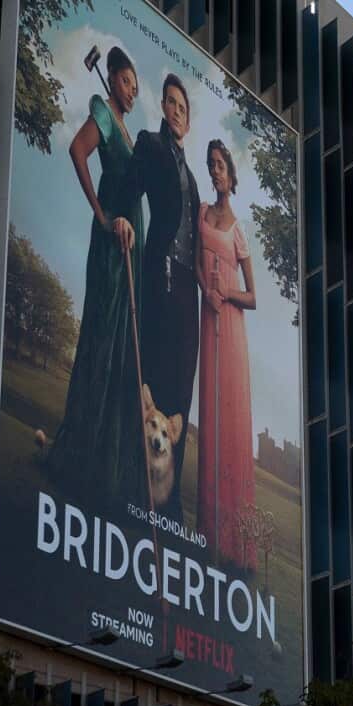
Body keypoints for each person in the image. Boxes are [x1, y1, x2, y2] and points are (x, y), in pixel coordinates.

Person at [45, 46, 144, 501]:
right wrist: (104, 216)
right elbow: (77, 151)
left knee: (120, 348)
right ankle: (79, 459)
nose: (132, 88)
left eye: (135, 84)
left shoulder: (125, 128)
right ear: (112, 78)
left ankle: (104, 465)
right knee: (102, 344)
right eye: (126, 80)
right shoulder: (104, 114)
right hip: (110, 249)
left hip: (130, 251)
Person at [114, 74, 201, 521]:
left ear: (189, 118)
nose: (176, 111)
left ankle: (169, 499)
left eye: (183, 107)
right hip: (161, 275)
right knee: (157, 381)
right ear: (163, 107)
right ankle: (139, 485)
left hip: (191, 292)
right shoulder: (149, 144)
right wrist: (124, 219)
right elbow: (131, 186)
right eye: (170, 102)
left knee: (182, 391)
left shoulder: (193, 177)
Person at [196, 139, 259, 570]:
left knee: (231, 422)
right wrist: (206, 290)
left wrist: (227, 293)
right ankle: (206, 534)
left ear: (232, 178)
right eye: (211, 165)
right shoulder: (201, 212)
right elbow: (199, 263)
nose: (216, 171)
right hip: (207, 319)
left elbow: (254, 297)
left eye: (221, 166)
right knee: (210, 415)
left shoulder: (238, 229)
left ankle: (234, 545)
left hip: (231, 327)